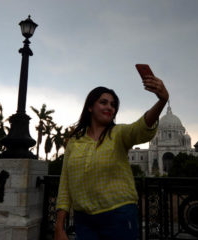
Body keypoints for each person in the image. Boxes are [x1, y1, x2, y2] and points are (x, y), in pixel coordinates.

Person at [54, 74, 168, 240]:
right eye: (103, 102)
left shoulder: (119, 133)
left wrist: (161, 101)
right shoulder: (74, 142)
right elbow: (65, 183)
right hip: (83, 220)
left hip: (118, 216)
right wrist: (59, 226)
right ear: (90, 107)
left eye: (113, 105)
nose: (109, 107)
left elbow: (141, 127)